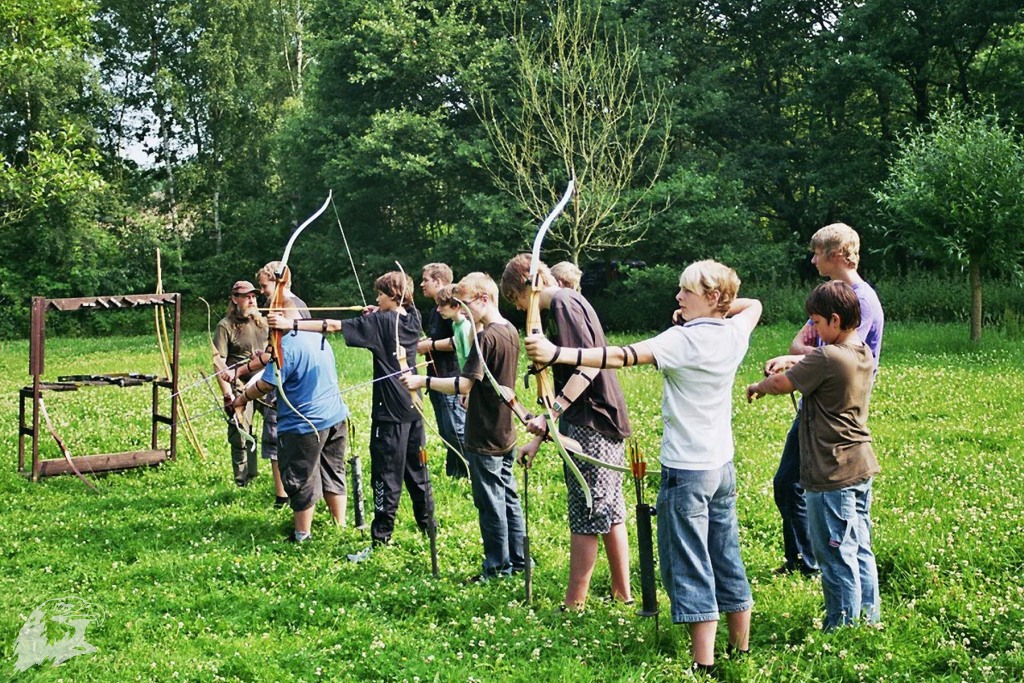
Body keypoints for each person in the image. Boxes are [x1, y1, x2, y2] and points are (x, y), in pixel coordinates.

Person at [525, 260, 761, 676]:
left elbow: (620, 355)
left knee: (688, 564)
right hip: (721, 469)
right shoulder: (733, 333)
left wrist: (556, 352)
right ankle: (740, 651)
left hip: (687, 472)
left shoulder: (682, 342)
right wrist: (714, 309)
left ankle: (703, 664)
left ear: (710, 297)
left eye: (685, 291)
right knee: (725, 555)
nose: (678, 297)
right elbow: (752, 304)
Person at [500, 254, 633, 609]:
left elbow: (588, 367)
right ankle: (622, 593)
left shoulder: (562, 302)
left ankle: (575, 603)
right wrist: (539, 437)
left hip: (593, 419)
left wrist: (552, 413)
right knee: (610, 510)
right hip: (593, 418)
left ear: (526, 287)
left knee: (587, 508)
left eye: (516, 301)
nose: (521, 309)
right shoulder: (568, 301)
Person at [747, 280, 881, 630]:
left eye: (818, 324)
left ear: (835, 321)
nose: (815, 333)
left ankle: (842, 626)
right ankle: (869, 618)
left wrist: (758, 386)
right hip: (859, 464)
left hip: (831, 470)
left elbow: (781, 384)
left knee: (834, 554)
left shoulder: (828, 356)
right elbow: (807, 368)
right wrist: (794, 361)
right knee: (859, 547)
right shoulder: (861, 352)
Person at [270, 271, 435, 553]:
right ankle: (427, 527)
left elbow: (333, 326)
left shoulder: (382, 321)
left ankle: (381, 540)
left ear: (393, 296)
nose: (375, 299)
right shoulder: (412, 317)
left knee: (385, 476)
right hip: (413, 408)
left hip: (390, 416)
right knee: (416, 472)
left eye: (380, 295)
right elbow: (389, 315)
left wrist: (290, 323)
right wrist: (378, 311)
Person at [768, 223, 884, 576]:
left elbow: (841, 355)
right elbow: (801, 345)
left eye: (817, 252)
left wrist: (799, 361)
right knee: (791, 482)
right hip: (816, 402)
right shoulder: (829, 296)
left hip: (834, 408)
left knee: (797, 483)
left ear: (835, 254)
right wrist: (803, 355)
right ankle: (806, 558)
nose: (813, 258)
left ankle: (811, 561)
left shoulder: (859, 299)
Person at [402, 273, 526, 581]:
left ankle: (497, 567)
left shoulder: (486, 337)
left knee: (490, 501)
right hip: (504, 428)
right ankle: (520, 561)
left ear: (484, 300)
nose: (461, 308)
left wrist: (422, 381)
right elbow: (486, 381)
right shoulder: (508, 329)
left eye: (465, 303)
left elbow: (464, 383)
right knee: (508, 495)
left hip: (485, 430)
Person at [231, 298, 350, 543]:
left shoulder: (287, 346)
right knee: (333, 471)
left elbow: (265, 384)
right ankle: (340, 525)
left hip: (305, 425)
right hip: (335, 417)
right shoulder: (317, 336)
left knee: (301, 476)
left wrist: (242, 399)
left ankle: (302, 535)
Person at [256, 262, 312, 508]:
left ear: (279, 282)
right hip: (295, 378)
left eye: (264, 285)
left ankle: (284, 497)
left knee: (276, 436)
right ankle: (292, 493)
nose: (262, 291)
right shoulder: (292, 303)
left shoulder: (288, 305)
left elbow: (292, 346)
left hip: (287, 381)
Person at [417, 263, 469, 479]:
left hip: (452, 377)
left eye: (426, 280)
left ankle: (473, 468)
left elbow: (460, 340)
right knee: (447, 431)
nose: (421, 284)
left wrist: (430, 345)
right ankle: (456, 473)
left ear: (438, 282)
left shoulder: (454, 307)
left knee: (457, 429)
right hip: (436, 377)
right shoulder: (435, 310)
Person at [212, 280, 265, 487]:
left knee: (273, 426)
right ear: (235, 299)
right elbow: (219, 362)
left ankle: (255, 475)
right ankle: (242, 479)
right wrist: (228, 395)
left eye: (253, 296)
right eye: (246, 296)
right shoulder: (225, 326)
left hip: (264, 381)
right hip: (239, 384)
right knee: (241, 430)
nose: (251, 300)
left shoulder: (262, 322)